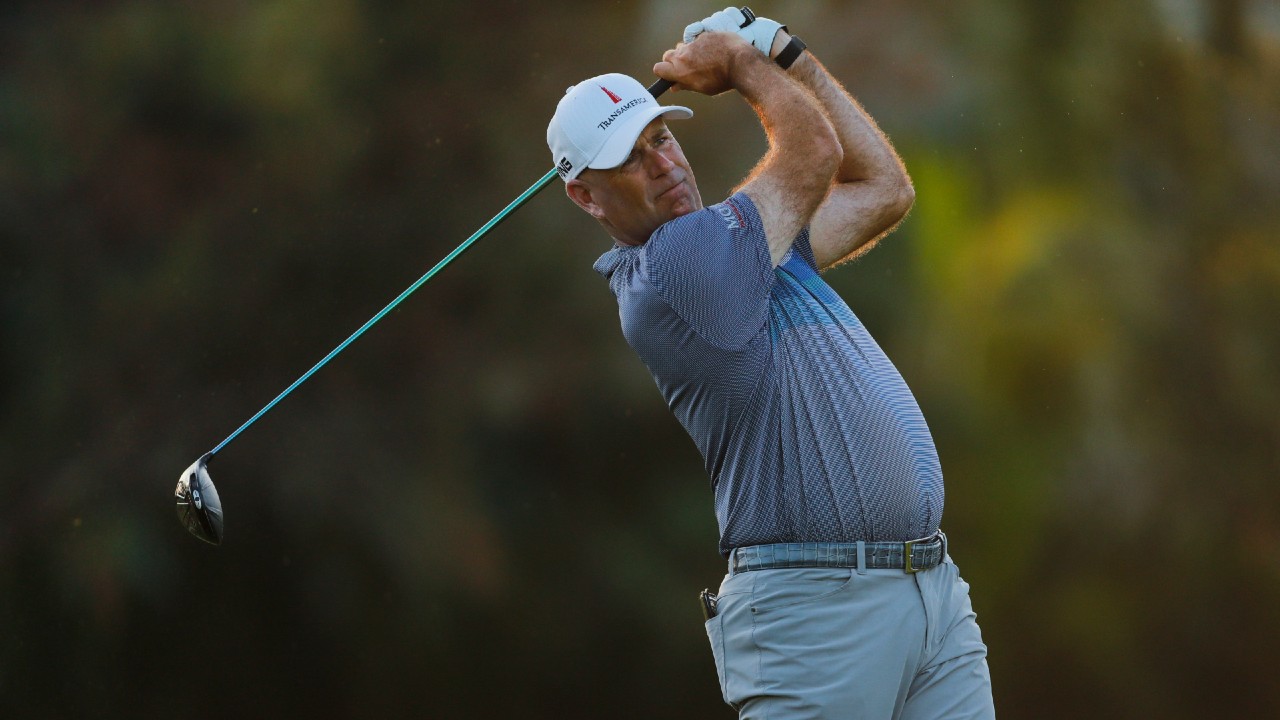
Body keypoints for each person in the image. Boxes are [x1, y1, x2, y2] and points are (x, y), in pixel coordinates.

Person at [546, 8, 995, 719]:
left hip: (930, 593)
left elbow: (883, 189)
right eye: (631, 158)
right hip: (818, 618)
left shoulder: (747, 251)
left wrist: (789, 53)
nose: (664, 164)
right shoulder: (678, 268)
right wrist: (745, 66)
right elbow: (812, 152)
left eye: (662, 137)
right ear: (584, 195)